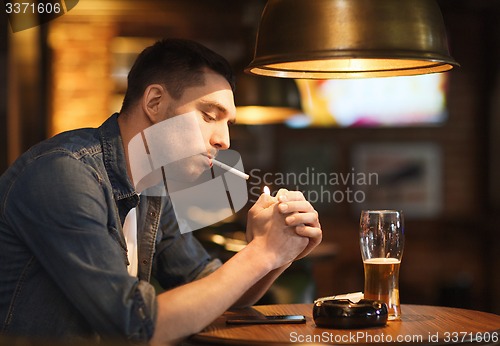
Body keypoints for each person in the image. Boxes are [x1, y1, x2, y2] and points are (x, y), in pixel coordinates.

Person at [0, 39, 322, 344]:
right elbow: (134, 325)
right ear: (154, 101)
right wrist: (260, 253)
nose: (224, 141)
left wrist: (280, 251)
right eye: (209, 116)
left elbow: (208, 287)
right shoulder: (63, 174)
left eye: (229, 124)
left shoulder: (151, 185)